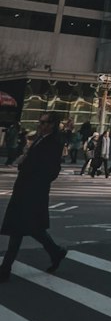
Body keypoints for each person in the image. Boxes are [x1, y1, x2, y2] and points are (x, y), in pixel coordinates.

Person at [0, 112, 69, 282]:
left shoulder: (53, 142)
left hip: (33, 191)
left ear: (53, 124)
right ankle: (55, 251)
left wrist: (37, 180)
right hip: (24, 188)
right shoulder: (40, 138)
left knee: (19, 228)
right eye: (41, 121)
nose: (41, 124)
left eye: (45, 122)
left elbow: (52, 169)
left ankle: (5, 269)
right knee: (31, 227)